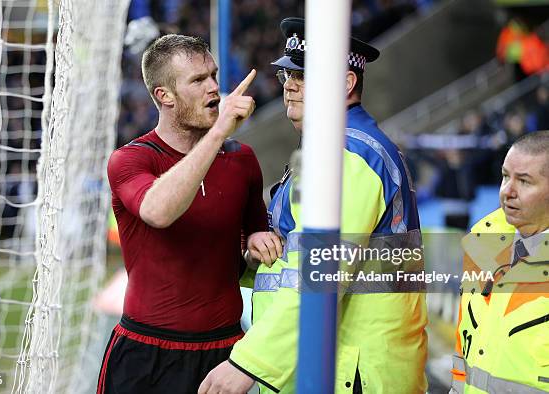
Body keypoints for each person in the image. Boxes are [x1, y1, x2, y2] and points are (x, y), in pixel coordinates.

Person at [199, 17, 428, 394]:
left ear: (346, 83)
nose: (289, 85)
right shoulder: (338, 149)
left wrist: (248, 363)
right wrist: (255, 256)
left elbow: (323, 271)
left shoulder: (348, 155)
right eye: (287, 75)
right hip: (341, 363)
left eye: (304, 76)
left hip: (351, 370)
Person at [97, 34, 281, 394]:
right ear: (163, 96)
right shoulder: (132, 159)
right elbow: (158, 212)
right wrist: (218, 134)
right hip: (146, 353)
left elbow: (252, 245)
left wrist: (259, 243)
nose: (214, 88)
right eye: (198, 80)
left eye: (213, 75)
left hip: (225, 352)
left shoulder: (242, 160)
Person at [450, 130, 549, 394]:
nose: (507, 191)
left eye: (524, 182)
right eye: (505, 176)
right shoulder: (482, 239)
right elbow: (465, 341)